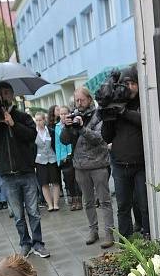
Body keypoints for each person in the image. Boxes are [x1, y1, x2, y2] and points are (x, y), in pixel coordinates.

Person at [0, 81, 49, 258]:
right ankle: (25, 244)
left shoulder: (22, 116)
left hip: (26, 171)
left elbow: (31, 136)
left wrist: (13, 124)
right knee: (18, 215)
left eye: (6, 92)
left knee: (33, 212)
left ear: (12, 94)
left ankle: (38, 243)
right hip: (7, 175)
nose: (4, 96)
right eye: (0, 94)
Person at [60, 87, 114, 248]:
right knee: (88, 202)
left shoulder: (99, 114)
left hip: (98, 165)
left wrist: (82, 129)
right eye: (76, 100)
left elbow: (99, 138)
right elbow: (64, 141)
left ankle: (109, 233)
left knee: (104, 201)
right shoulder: (74, 116)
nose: (79, 103)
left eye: (81, 100)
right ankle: (93, 231)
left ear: (89, 99)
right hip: (80, 166)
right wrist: (67, 127)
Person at [101, 65, 150, 239]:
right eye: (125, 83)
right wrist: (108, 116)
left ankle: (148, 237)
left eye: (132, 83)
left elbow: (145, 122)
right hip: (120, 165)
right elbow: (106, 137)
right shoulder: (116, 102)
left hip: (141, 165)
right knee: (122, 207)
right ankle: (126, 242)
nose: (129, 87)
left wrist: (124, 112)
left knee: (145, 205)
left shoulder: (143, 102)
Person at [55, 105, 82, 210]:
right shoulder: (57, 127)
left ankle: (79, 199)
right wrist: (59, 159)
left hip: (73, 154)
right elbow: (57, 144)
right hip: (63, 157)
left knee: (76, 179)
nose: (63, 116)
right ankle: (73, 199)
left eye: (65, 113)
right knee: (68, 179)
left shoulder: (73, 124)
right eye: (61, 114)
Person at [35, 112, 61, 211]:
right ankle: (49, 204)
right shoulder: (33, 133)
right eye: (36, 120)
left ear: (44, 120)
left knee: (55, 182)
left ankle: (56, 203)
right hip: (40, 161)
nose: (38, 122)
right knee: (44, 183)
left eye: (40, 120)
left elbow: (55, 145)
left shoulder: (51, 131)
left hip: (52, 159)